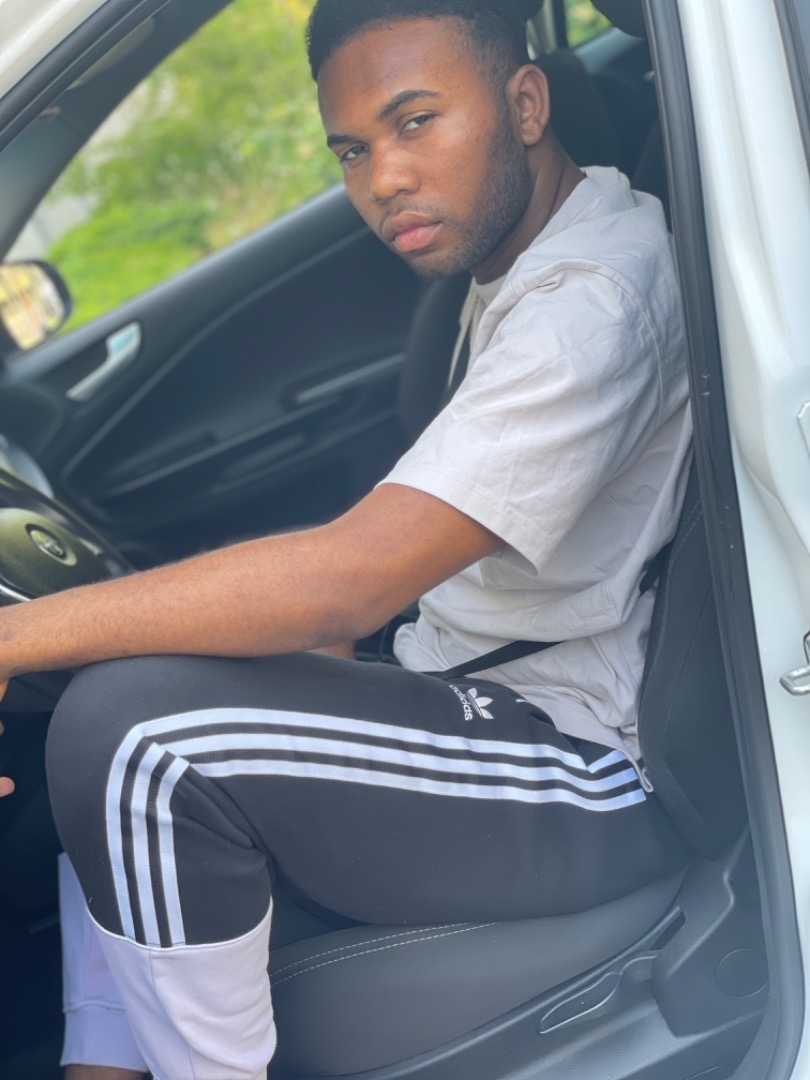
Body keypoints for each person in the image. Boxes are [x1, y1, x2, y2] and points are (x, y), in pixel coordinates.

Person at [0, 0, 693, 1076]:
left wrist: (13, 639)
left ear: (525, 104)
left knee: (137, 735)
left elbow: (353, 579)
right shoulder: (536, 256)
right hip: (479, 689)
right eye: (352, 149)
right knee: (121, 708)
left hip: (588, 761)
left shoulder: (592, 302)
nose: (384, 179)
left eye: (417, 122)